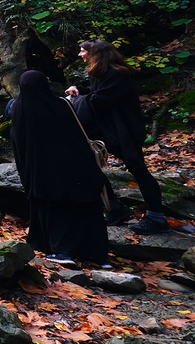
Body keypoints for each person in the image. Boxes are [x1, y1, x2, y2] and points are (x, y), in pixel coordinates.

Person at [66, 40, 168, 234]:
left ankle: (157, 218)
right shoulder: (101, 73)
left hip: (124, 131)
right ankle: (114, 207)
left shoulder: (117, 74)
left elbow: (100, 100)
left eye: (83, 51)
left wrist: (78, 100)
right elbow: (96, 93)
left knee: (138, 170)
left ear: (96, 54)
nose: (80, 55)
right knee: (88, 164)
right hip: (107, 130)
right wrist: (80, 90)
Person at [13, 70, 108, 264]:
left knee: (54, 210)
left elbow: (18, 144)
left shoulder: (20, 108)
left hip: (42, 173)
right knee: (85, 208)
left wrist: (27, 175)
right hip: (76, 168)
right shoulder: (60, 105)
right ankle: (97, 254)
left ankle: (61, 251)